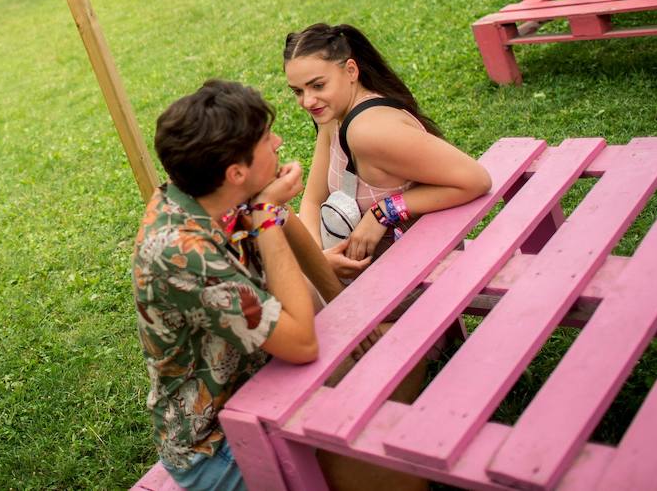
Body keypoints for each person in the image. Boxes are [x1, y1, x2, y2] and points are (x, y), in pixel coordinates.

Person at [136, 80, 340, 490]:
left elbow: (285, 224)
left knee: (390, 370)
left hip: (268, 386)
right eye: (268, 139)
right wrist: (264, 213)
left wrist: (346, 305)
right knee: (380, 464)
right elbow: (301, 343)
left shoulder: (210, 190)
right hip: (217, 445)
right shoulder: (179, 254)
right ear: (236, 171)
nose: (279, 141)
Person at [282, 24, 491, 282]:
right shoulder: (331, 118)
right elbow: (313, 200)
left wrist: (384, 212)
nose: (308, 101)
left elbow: (476, 180)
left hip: (413, 275)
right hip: (359, 269)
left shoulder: (370, 132)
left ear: (350, 71)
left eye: (318, 85)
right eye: (298, 91)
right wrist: (320, 260)